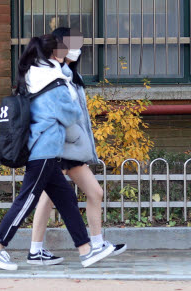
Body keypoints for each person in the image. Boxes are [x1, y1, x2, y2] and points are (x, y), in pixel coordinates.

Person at [0, 34, 115, 271]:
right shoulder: (53, 82)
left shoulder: (36, 76)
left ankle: (86, 251)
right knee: (26, 201)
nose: (70, 52)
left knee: (66, 199)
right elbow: (71, 115)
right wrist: (69, 89)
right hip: (43, 152)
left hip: (46, 152)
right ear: (54, 54)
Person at [26, 27, 126, 265]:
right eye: (70, 45)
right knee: (48, 198)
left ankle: (97, 243)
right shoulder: (52, 73)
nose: (76, 50)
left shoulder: (69, 73)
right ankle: (37, 249)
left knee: (93, 192)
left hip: (71, 148)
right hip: (59, 147)